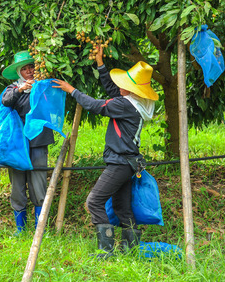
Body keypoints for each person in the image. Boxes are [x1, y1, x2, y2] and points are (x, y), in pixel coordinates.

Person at [52, 45, 158, 257]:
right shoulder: (132, 103)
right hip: (127, 163)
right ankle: (130, 250)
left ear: (132, 90)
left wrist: (72, 90)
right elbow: (114, 93)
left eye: (125, 84)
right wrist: (101, 64)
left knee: (94, 201)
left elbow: (96, 105)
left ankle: (106, 250)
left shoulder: (126, 105)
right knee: (121, 207)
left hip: (120, 163)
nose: (120, 86)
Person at [1, 50, 54, 235]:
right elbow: (6, 102)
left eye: (32, 67)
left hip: (38, 142)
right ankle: (20, 230)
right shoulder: (12, 89)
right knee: (17, 186)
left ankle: (40, 230)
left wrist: (38, 89)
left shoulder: (43, 87)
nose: (30, 71)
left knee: (39, 185)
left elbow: (52, 105)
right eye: (25, 69)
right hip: (17, 146)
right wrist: (21, 89)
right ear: (19, 73)